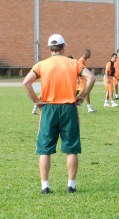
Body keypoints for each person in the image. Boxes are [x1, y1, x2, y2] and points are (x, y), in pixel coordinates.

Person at [23, 34, 95, 194]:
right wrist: (82, 96)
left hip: (48, 109)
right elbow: (91, 77)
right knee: (71, 148)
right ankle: (71, 185)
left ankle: (45, 186)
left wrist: (36, 101)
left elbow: (26, 82)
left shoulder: (41, 65)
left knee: (44, 149)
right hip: (68, 108)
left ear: (50, 49)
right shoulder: (73, 63)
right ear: (63, 47)